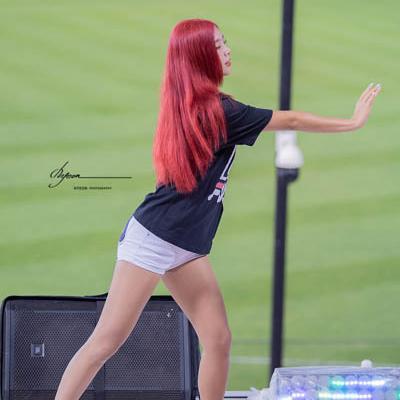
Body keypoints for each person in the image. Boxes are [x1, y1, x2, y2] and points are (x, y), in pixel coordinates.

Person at [54, 18, 381, 400]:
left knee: (218, 339)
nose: (228, 51)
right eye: (219, 47)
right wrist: (352, 122)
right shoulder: (220, 112)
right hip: (154, 239)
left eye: (225, 43)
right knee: (105, 342)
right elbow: (290, 120)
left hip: (187, 246)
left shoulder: (194, 103)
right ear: (200, 58)